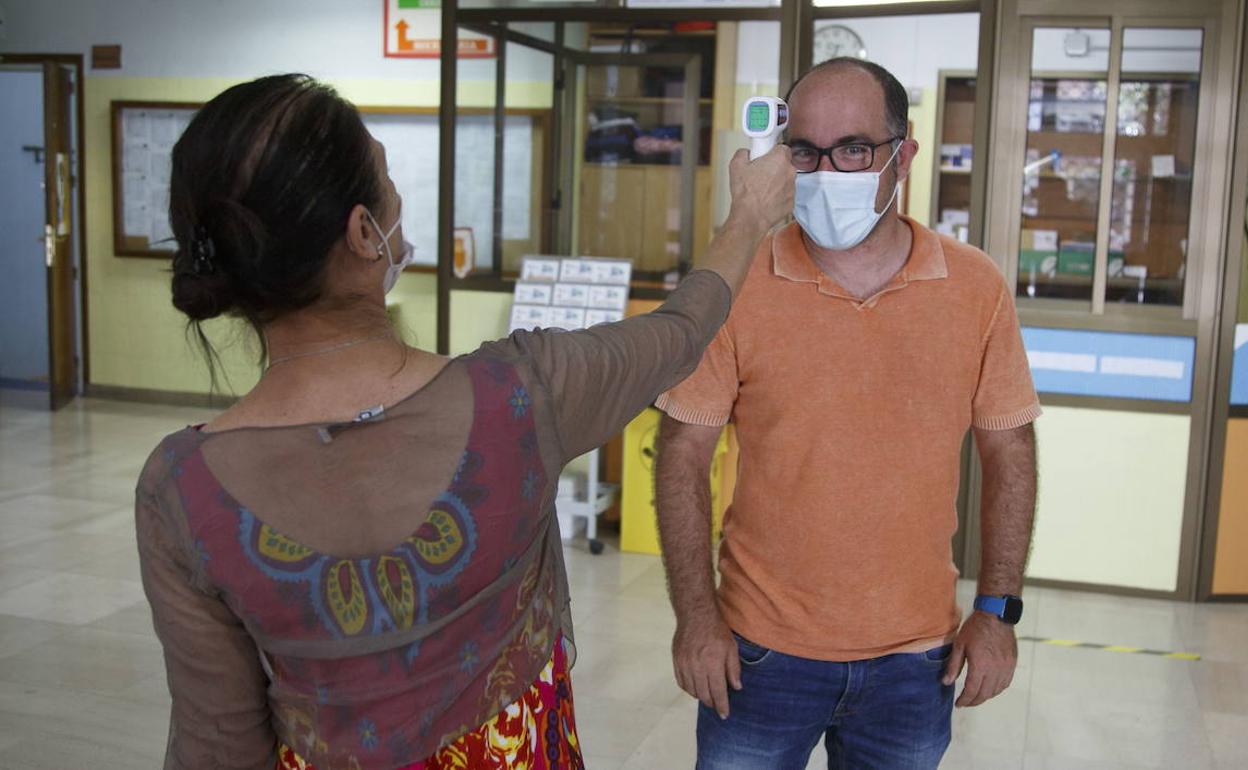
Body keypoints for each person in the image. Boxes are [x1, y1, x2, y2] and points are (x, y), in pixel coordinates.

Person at [134, 73, 794, 770]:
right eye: (387, 184)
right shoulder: (524, 393)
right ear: (365, 233)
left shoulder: (179, 488)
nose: (398, 203)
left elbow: (217, 743)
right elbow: (682, 330)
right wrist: (748, 216)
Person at [654, 57, 1041, 770]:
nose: (828, 173)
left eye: (855, 149)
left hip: (915, 662)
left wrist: (996, 611)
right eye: (805, 150)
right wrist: (696, 616)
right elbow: (681, 456)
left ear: (904, 155)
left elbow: (1009, 454)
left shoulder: (975, 287)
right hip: (757, 655)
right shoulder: (735, 284)